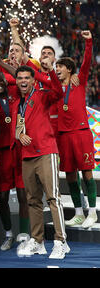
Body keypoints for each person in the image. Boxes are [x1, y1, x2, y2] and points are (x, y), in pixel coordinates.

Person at [11, 64, 69, 259]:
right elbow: (17, 127)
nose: (23, 81)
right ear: (17, 81)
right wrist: (19, 136)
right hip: (27, 156)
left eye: (27, 78)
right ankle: (38, 241)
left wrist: (48, 71)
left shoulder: (42, 95)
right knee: (32, 200)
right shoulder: (18, 103)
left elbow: (59, 91)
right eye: (20, 78)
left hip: (46, 152)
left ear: (33, 80)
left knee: (53, 198)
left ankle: (61, 241)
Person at [56, 30, 97, 228]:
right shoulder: (55, 89)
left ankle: (93, 212)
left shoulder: (78, 82)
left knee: (86, 173)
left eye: (61, 67)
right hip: (63, 136)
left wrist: (88, 42)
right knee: (70, 175)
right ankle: (79, 212)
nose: (57, 70)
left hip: (80, 134)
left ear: (69, 70)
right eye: (57, 67)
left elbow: (87, 62)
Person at [0, 70, 29, 251]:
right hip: (2, 153)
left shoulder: (14, 91)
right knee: (2, 197)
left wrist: (1, 62)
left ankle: (25, 235)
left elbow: (22, 76)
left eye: (1, 80)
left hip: (18, 150)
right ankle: (9, 234)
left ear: (6, 81)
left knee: (22, 194)